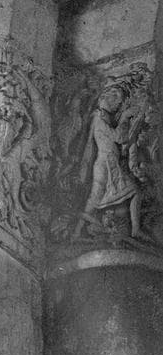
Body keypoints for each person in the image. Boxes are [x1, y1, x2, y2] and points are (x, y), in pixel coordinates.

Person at [76, 81, 141, 238]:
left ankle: (136, 230)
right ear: (108, 98)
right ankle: (76, 232)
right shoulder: (99, 117)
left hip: (110, 164)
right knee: (93, 201)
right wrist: (125, 117)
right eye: (118, 101)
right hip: (105, 165)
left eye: (120, 103)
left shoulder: (103, 117)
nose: (118, 105)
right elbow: (119, 137)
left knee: (133, 192)